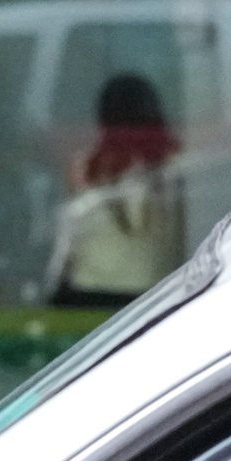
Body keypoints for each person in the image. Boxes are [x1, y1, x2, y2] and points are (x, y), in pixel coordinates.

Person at [45, 72, 183, 309]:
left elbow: (68, 242)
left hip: (88, 294)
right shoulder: (174, 168)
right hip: (154, 293)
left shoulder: (86, 167)